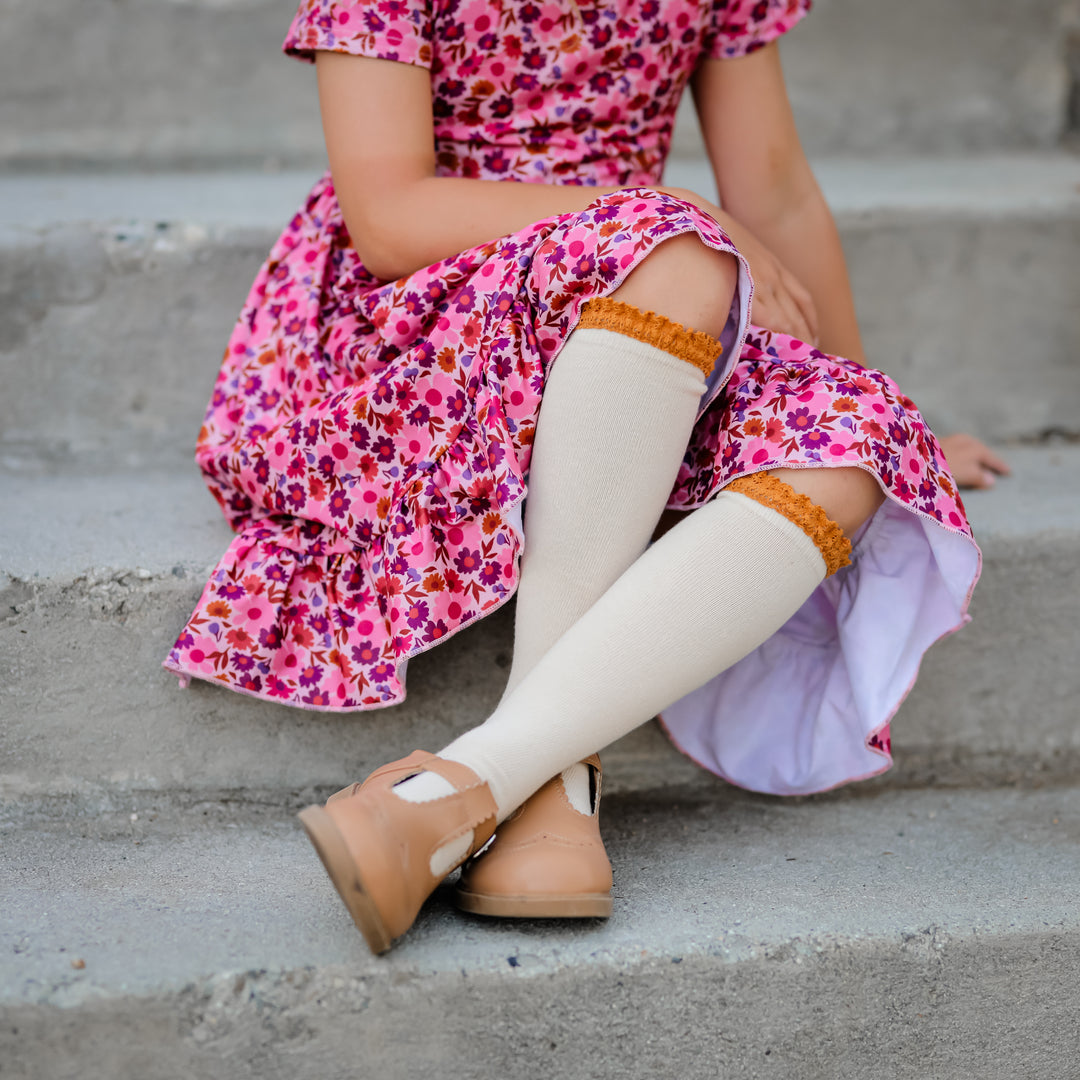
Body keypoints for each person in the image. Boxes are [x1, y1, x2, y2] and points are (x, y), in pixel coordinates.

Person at [165, 0, 988, 954]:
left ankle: (457, 790)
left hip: (644, 322)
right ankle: (556, 787)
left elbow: (774, 192)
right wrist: (665, 221)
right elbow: (388, 218)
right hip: (428, 317)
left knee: (857, 442)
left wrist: (855, 377)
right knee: (677, 255)